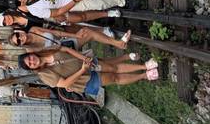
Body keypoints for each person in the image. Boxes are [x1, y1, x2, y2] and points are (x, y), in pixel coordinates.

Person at [18, 49, 159, 97]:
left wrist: (83, 58)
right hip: (84, 79)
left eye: (29, 58)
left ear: (31, 54)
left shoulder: (47, 51)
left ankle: (144, 66)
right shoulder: (44, 75)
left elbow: (66, 50)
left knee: (113, 68)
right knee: (114, 77)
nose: (32, 61)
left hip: (86, 63)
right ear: (32, 68)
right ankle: (145, 76)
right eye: (30, 64)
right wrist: (82, 70)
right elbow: (65, 83)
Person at [8, 26, 133, 53]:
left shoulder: (34, 30)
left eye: (18, 35)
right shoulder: (31, 50)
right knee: (88, 33)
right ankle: (118, 43)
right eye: (18, 41)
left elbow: (55, 32)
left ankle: (119, 43)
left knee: (86, 32)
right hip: (65, 53)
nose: (20, 38)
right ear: (20, 45)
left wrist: (75, 35)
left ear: (19, 31)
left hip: (67, 42)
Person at [0, 9, 121, 32]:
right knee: (80, 28)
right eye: (5, 23)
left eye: (5, 18)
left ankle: (107, 13)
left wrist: (55, 16)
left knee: (81, 17)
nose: (8, 21)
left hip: (53, 14)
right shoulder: (21, 28)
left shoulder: (21, 10)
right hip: (54, 27)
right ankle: (103, 30)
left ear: (6, 13)